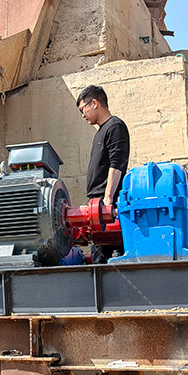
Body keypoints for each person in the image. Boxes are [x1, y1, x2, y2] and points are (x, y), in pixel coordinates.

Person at [76, 85, 129, 263]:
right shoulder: (101, 132)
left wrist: (108, 199)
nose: (83, 115)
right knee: (98, 259)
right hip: (97, 206)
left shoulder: (115, 126)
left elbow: (117, 163)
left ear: (94, 103)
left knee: (107, 260)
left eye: (83, 109)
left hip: (108, 208)